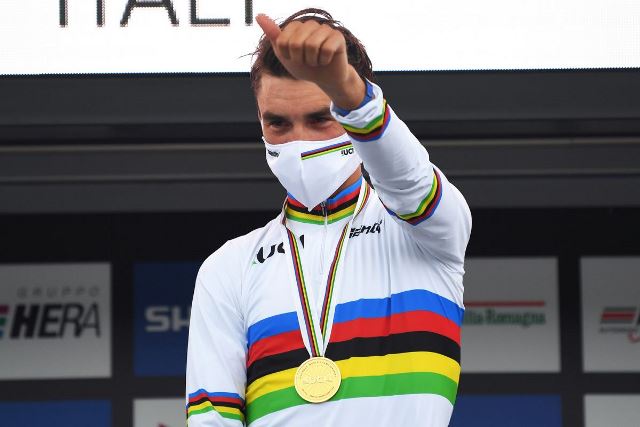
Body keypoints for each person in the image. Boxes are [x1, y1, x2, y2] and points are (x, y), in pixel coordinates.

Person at [186, 8, 472, 427]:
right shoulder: (228, 267)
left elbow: (409, 179)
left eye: (321, 118)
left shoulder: (426, 233)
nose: (298, 141)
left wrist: (350, 93)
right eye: (278, 123)